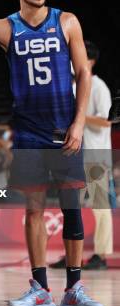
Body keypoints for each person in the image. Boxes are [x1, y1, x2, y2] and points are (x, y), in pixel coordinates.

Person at [0, 0, 103, 306]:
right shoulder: (4, 27)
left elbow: (83, 74)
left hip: (65, 132)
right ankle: (41, 288)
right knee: (33, 210)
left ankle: (74, 288)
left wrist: (78, 124)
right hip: (29, 133)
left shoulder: (67, 21)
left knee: (72, 209)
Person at [50, 40, 115, 270]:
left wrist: (80, 117)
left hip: (95, 156)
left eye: (80, 55)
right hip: (73, 153)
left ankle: (101, 256)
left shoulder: (98, 87)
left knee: (100, 205)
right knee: (69, 206)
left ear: (92, 61)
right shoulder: (71, 86)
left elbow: (107, 122)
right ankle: (71, 255)